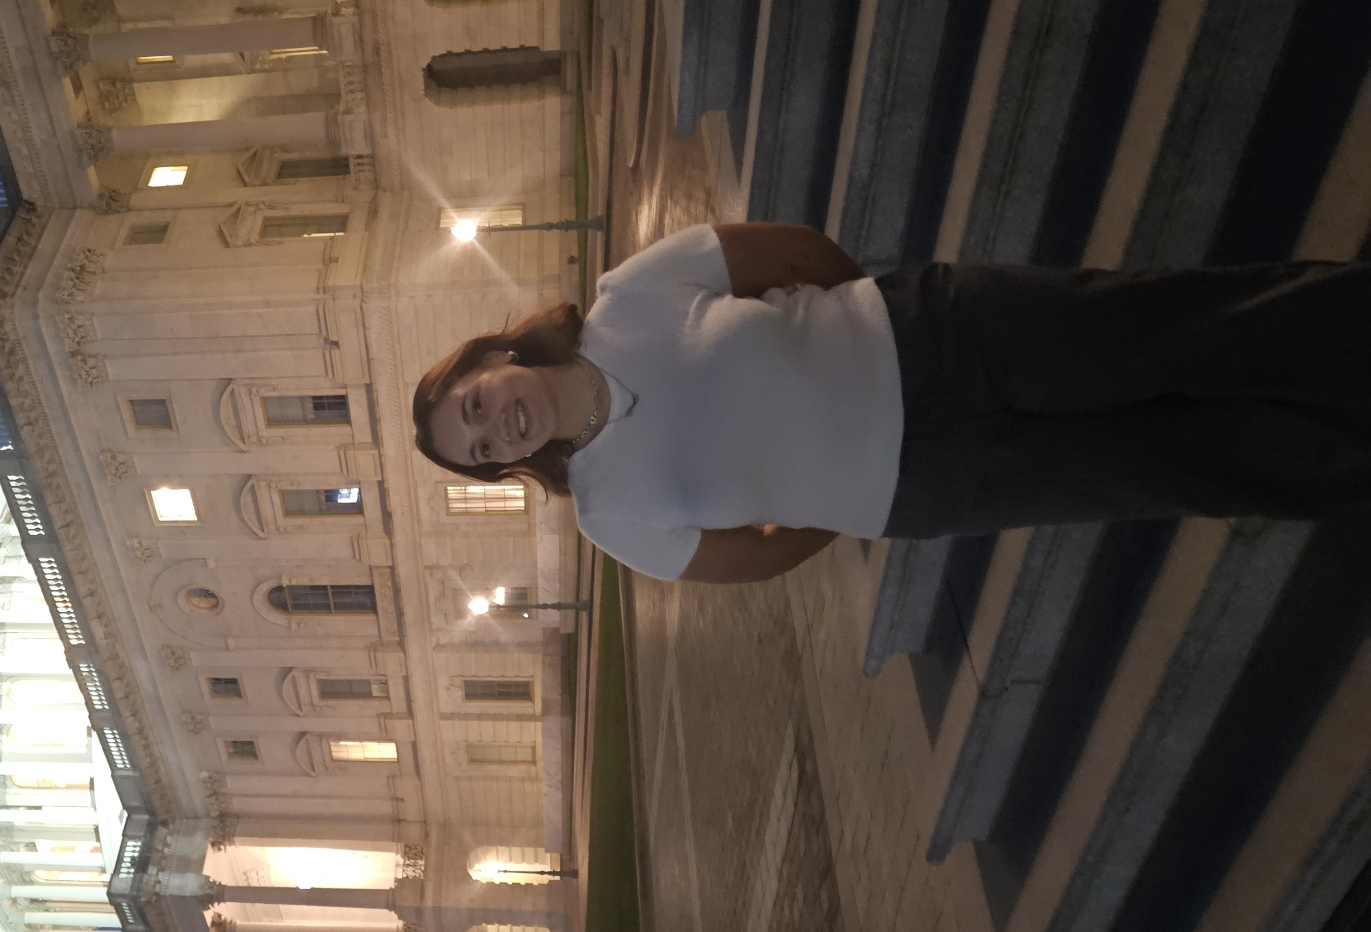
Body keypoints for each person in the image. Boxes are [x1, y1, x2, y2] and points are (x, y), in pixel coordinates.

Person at [412, 222, 1371, 583]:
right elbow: (750, 558)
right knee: (1162, 467)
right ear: (506, 469)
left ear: (494, 357)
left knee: (1167, 328)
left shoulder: (630, 296)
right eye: (483, 450)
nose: (498, 429)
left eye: (477, 405)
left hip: (938, 333)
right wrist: (847, 489)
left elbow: (786, 253)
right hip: (930, 482)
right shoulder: (610, 516)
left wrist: (854, 317)